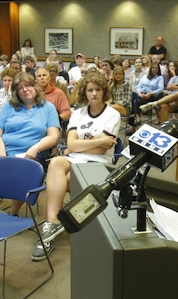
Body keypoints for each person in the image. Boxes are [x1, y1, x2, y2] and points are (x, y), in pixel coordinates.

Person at [35, 71, 120, 261]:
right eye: (90, 90)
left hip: (98, 164)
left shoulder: (112, 115)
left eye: (98, 89)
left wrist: (79, 147)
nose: (94, 94)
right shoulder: (78, 113)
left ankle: (50, 227)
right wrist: (97, 141)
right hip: (75, 158)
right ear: (84, 92)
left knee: (60, 180)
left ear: (104, 91)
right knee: (56, 161)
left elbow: (99, 152)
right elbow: (72, 144)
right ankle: (53, 222)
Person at [0, 72, 60, 215]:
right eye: (20, 88)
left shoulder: (48, 108)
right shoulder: (9, 107)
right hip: (3, 151)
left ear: (35, 87)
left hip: (31, 154)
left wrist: (36, 148)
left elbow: (53, 136)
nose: (25, 90)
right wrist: (3, 157)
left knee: (22, 171)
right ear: (16, 93)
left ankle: (13, 212)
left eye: (28, 85)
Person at [129, 62, 164, 130]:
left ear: (158, 69)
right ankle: (137, 119)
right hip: (142, 94)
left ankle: (135, 122)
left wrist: (151, 93)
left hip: (153, 96)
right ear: (150, 69)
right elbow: (138, 86)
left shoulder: (160, 78)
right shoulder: (145, 77)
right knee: (135, 100)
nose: (154, 69)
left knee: (136, 101)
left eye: (156, 68)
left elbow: (161, 89)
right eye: (153, 68)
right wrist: (139, 93)